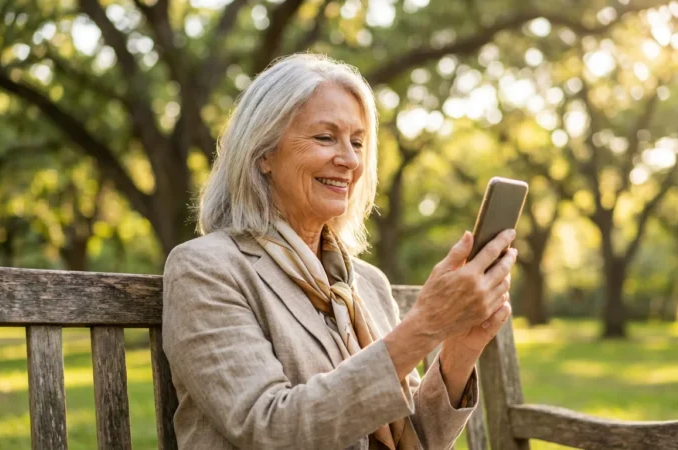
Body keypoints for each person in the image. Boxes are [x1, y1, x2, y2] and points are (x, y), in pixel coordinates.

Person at [162, 53, 517, 450]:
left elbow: (415, 441)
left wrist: (459, 347)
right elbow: (270, 428)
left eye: (358, 142)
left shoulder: (366, 283)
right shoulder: (206, 268)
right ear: (263, 153)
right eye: (325, 137)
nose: (349, 159)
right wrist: (424, 328)